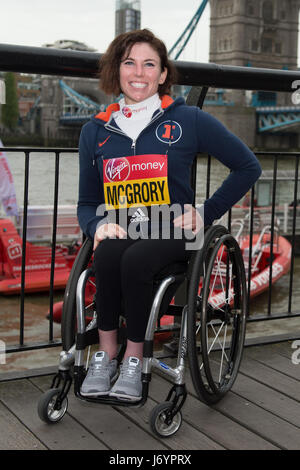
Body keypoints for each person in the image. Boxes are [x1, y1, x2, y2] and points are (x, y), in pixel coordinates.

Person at [77, 29, 261, 401]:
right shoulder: (95, 130)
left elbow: (247, 166)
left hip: (173, 229)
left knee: (136, 260)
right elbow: (86, 202)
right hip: (125, 227)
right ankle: (106, 351)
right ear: (117, 70)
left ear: (162, 75)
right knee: (109, 252)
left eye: (150, 64)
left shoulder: (188, 120)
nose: (139, 72)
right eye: (129, 62)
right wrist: (96, 225)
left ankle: (134, 356)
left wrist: (206, 212)